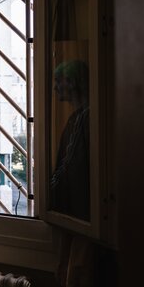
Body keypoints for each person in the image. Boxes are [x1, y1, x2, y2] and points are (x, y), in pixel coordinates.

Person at [50, 59, 90, 221]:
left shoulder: (83, 117)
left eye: (59, 81)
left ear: (72, 82)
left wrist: (48, 192)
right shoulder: (80, 116)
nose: (55, 87)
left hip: (78, 211)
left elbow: (68, 163)